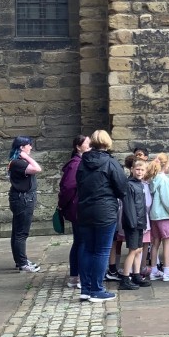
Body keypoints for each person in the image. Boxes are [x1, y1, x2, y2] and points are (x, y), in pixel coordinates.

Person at [76, 129, 128, 302]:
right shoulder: (111, 163)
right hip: (104, 211)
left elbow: (79, 184)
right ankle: (97, 290)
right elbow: (122, 188)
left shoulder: (82, 162)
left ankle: (85, 288)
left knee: (86, 248)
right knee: (102, 250)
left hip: (85, 209)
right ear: (107, 142)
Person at [58, 134, 90, 289]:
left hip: (79, 207)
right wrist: (62, 205)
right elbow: (68, 187)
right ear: (78, 147)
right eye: (87, 143)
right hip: (78, 208)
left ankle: (74, 277)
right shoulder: (76, 164)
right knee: (82, 242)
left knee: (79, 242)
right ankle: (80, 277)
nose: (90, 146)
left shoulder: (81, 162)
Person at [7, 136, 42, 272]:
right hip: (23, 200)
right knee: (21, 233)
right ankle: (22, 263)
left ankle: (20, 260)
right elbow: (37, 168)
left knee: (17, 231)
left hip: (22, 198)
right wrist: (26, 156)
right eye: (28, 145)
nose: (31, 147)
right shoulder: (18, 163)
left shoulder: (18, 162)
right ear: (21, 147)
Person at [145, 153, 169, 281]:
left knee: (155, 243)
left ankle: (154, 270)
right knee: (166, 243)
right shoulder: (165, 179)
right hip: (164, 215)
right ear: (165, 165)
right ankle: (166, 271)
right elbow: (167, 200)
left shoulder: (154, 179)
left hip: (154, 215)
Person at [118, 157, 152, 290]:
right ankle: (125, 278)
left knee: (139, 250)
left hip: (140, 222)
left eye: (142, 170)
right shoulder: (129, 185)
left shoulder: (140, 184)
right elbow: (128, 206)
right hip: (132, 223)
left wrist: (143, 223)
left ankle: (136, 275)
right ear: (132, 169)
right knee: (133, 250)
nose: (140, 172)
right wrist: (133, 223)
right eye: (137, 169)